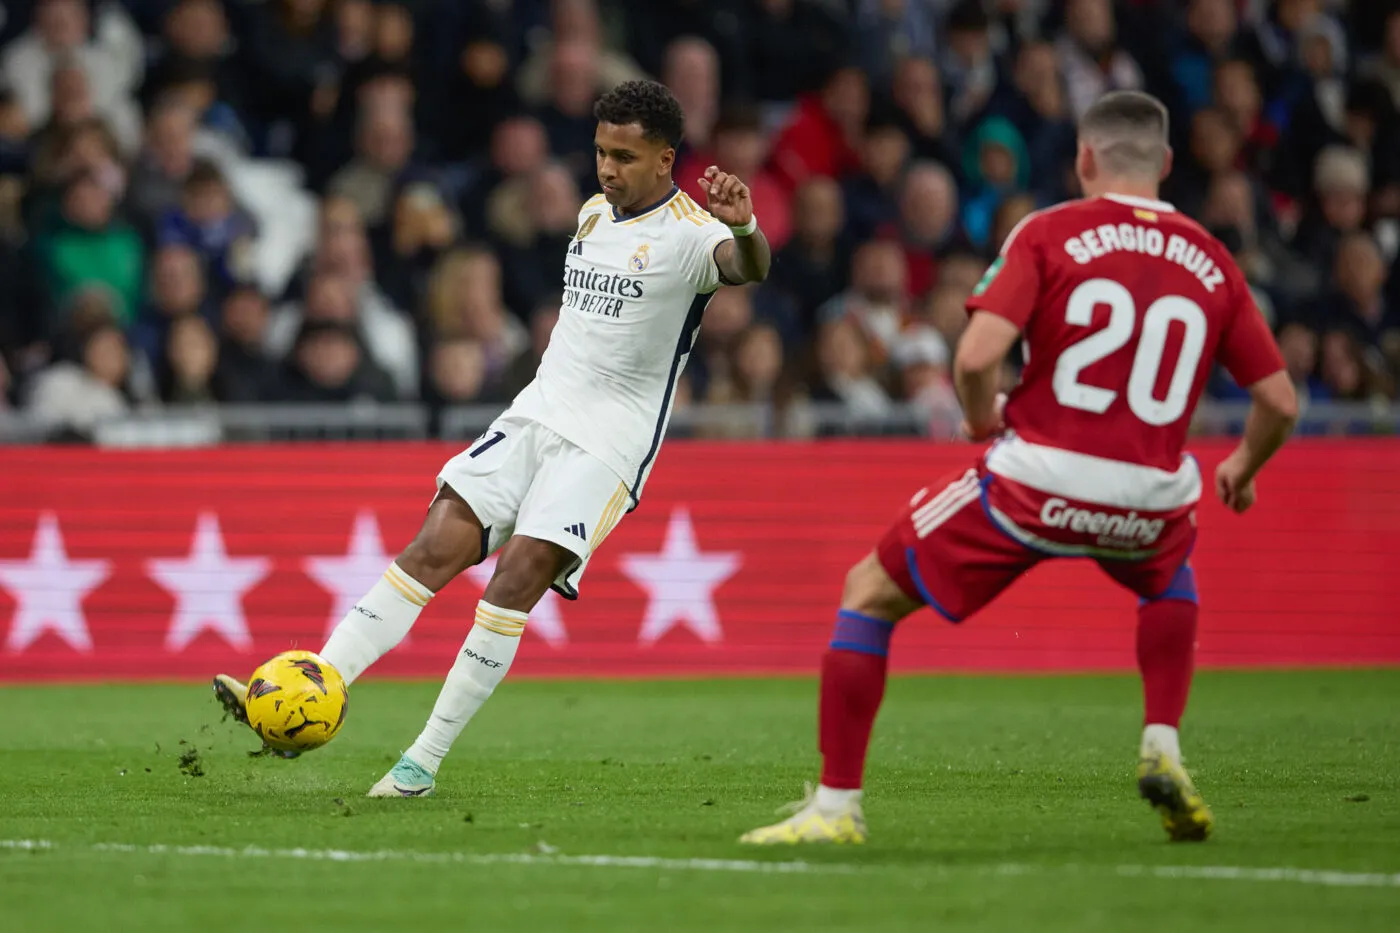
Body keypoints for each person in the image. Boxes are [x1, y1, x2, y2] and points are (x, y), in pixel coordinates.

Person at [740, 91, 1297, 846]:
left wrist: (976, 417)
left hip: (1040, 479)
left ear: (1084, 158)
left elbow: (974, 357)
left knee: (866, 592)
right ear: (1166, 163)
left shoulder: (1050, 231)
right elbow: (1279, 401)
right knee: (1170, 575)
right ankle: (1162, 741)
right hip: (1153, 495)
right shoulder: (1213, 258)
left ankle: (836, 809)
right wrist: (1244, 465)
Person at [211, 80, 772, 793]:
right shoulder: (594, 213)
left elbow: (744, 268)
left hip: (606, 447)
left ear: (666, 159)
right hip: (533, 415)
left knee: (515, 578)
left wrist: (747, 229)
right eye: (600, 152)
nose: (607, 169)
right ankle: (309, 697)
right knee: (431, 546)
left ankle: (422, 763)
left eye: (625, 156)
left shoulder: (696, 236)